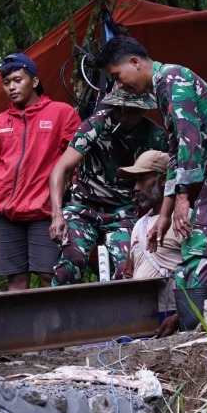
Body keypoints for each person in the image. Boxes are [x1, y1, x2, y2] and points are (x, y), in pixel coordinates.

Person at [98, 35, 207, 328]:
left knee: (196, 253)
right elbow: (176, 153)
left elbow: (189, 143)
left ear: (134, 62)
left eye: (117, 76)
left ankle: (190, 341)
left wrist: (183, 199)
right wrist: (164, 216)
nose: (119, 86)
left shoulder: (172, 78)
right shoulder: (165, 87)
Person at [0, 53, 81, 291]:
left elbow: (78, 161)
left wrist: (73, 203)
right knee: (15, 280)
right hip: (5, 213)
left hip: (45, 210)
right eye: (6, 83)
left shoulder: (61, 113)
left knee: (49, 276)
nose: (11, 87)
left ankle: (55, 329)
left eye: (17, 80)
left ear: (34, 82)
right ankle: (21, 329)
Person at [48, 90, 169, 285]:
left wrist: (161, 216)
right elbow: (59, 169)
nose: (125, 117)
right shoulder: (97, 124)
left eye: (133, 111)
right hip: (83, 207)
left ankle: (122, 314)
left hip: (123, 210)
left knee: (128, 269)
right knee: (72, 261)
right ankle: (58, 313)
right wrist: (57, 215)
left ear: (143, 110)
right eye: (121, 110)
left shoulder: (155, 135)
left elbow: (168, 178)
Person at [115, 150, 189, 333]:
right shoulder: (139, 224)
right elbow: (129, 273)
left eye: (142, 180)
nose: (136, 187)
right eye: (135, 181)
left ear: (163, 179)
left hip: (173, 317)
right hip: (140, 319)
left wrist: (182, 315)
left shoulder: (184, 219)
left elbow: (202, 272)